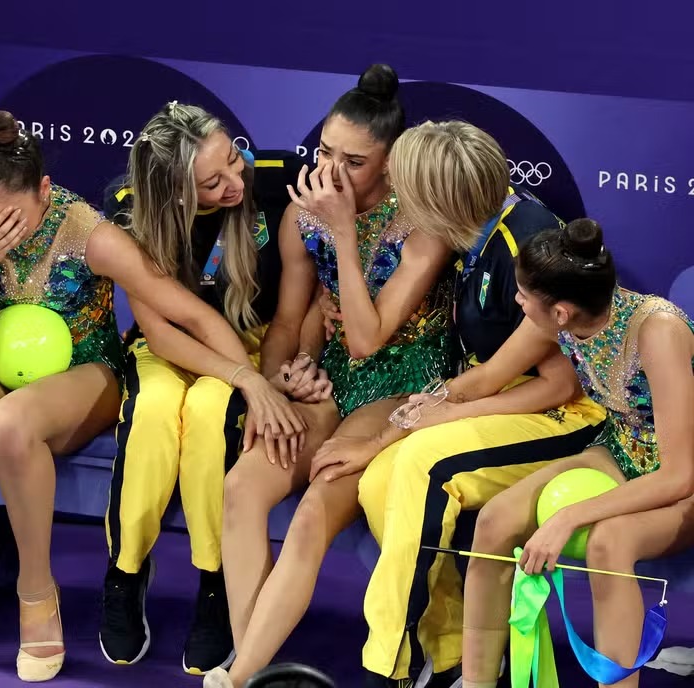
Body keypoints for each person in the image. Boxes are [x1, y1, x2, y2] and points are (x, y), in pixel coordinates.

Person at [0, 111, 304, 682]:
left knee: (11, 425)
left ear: (45, 192)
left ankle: (36, 592)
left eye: (11, 218)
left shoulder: (88, 231)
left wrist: (248, 378)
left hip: (81, 367)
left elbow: (185, 310)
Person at [205, 66, 486, 688]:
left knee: (316, 503)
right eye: (325, 152)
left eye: (353, 162)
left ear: (391, 165)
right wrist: (284, 377)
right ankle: (252, 658)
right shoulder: (301, 217)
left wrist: (343, 233)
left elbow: (366, 336)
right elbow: (284, 322)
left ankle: (240, 674)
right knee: (244, 486)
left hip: (403, 389)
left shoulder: (425, 226)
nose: (331, 173)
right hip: (332, 383)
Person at [309, 121, 606, 686]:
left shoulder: (531, 246)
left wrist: (435, 418)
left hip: (564, 419)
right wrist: (382, 441)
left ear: (440, 200)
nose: (398, 199)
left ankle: (386, 665)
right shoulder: (476, 233)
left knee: (424, 466)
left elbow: (558, 384)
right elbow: (481, 377)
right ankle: (449, 654)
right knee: (378, 479)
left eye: (407, 190)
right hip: (504, 401)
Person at [98, 101, 320, 675]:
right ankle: (125, 572)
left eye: (232, 161)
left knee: (208, 412)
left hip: (252, 343)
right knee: (151, 413)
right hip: (168, 346)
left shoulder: (275, 184)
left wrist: (260, 379)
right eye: (212, 182)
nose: (233, 182)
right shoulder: (129, 213)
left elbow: (292, 314)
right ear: (173, 194)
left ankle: (214, 582)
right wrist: (251, 383)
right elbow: (162, 333)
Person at [460, 219, 694, 688]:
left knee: (609, 544)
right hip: (620, 450)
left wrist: (569, 517)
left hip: (681, 474)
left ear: (561, 314)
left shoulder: (657, 332)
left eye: (523, 295)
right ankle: (477, 681)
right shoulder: (559, 312)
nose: (517, 301)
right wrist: (415, 415)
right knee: (495, 521)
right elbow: (485, 379)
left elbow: (678, 475)